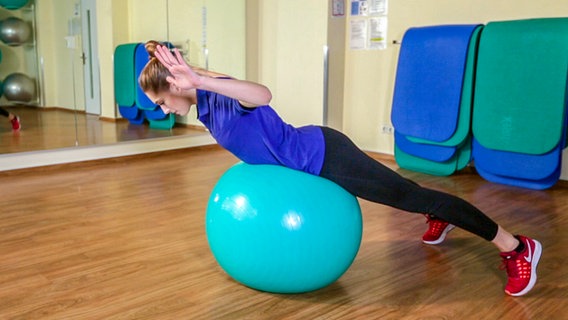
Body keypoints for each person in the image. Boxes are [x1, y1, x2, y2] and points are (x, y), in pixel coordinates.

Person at [138, 40, 542, 297]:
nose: (161, 110)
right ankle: (437, 217)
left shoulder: (218, 94)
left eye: (159, 101)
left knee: (409, 195)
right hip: (303, 167)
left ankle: (515, 246)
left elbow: (262, 95)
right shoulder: (203, 106)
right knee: (406, 194)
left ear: (175, 85)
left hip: (325, 156)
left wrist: (202, 79)